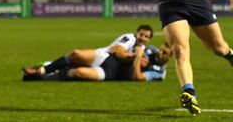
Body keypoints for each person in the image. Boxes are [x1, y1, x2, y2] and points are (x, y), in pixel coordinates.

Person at [22, 24, 154, 81]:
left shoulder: (144, 50)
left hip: (110, 72)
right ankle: (43, 70)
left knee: (78, 73)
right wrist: (134, 57)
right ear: (137, 33)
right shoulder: (129, 38)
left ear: (150, 39)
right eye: (141, 34)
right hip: (105, 57)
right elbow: (119, 53)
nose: (142, 37)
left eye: (146, 36)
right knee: (76, 54)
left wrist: (138, 60)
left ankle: (46, 72)